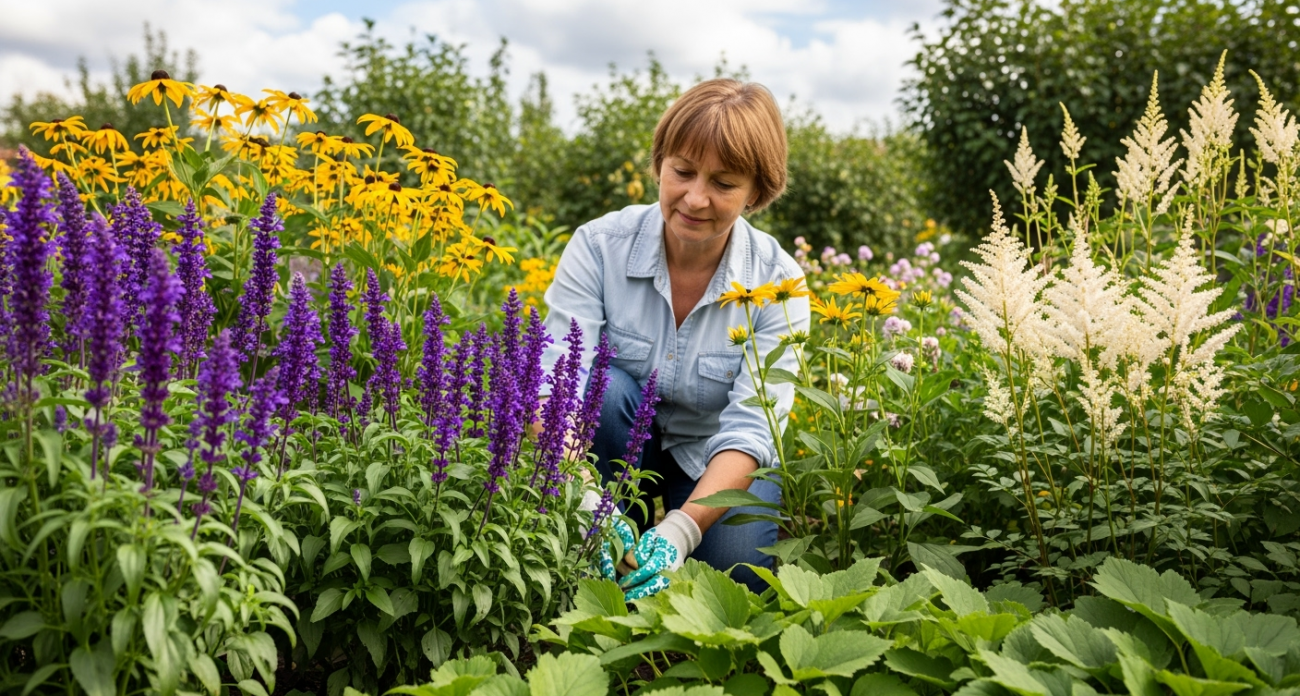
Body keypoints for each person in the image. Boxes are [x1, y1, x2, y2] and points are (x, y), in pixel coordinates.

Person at [538, 78, 811, 599]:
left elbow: (754, 429)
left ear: (756, 192)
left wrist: (680, 531)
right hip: (607, 447)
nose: (696, 197)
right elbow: (554, 387)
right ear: (660, 163)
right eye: (682, 171)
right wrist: (585, 497)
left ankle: (656, 542)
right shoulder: (599, 247)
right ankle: (592, 537)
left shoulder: (778, 283)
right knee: (608, 387)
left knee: (737, 581)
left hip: (711, 457)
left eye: (724, 183)